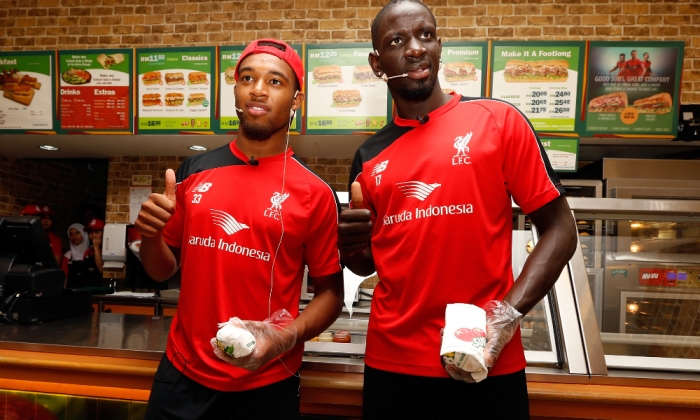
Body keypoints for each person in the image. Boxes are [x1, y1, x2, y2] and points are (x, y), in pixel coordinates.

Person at [337, 1, 578, 418]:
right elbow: (367, 264)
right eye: (398, 41)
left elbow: (561, 230)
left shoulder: (497, 121)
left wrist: (502, 320)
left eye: (425, 35)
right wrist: (351, 247)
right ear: (378, 64)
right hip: (392, 365)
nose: (415, 48)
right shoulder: (368, 155)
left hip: (484, 356)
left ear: (439, 46)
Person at [135, 38, 344, 419]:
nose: (258, 89)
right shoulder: (193, 173)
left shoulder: (315, 193)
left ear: (296, 101)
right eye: (247, 77)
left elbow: (330, 294)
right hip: (182, 375)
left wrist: (285, 338)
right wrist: (149, 235)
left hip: (266, 382)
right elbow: (161, 271)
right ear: (236, 89)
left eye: (276, 81)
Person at [61, 223, 90, 288]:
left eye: (77, 233)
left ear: (84, 234)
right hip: (71, 292)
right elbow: (65, 277)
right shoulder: (67, 256)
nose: (74, 236)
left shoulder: (91, 253)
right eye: (71, 234)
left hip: (89, 292)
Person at [82, 218, 105, 287]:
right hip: (86, 289)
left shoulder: (106, 251)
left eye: (97, 232)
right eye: (91, 232)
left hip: (100, 289)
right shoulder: (87, 252)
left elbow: (101, 270)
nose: (93, 235)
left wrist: (96, 248)